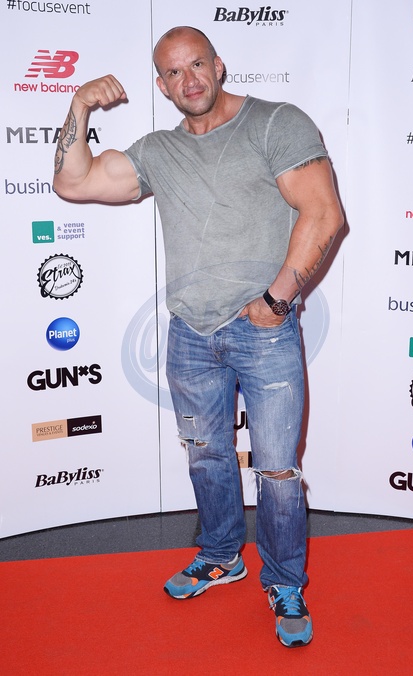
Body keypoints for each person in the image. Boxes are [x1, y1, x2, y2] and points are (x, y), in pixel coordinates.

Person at [53, 25, 343, 648]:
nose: (189, 80)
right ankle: (220, 555)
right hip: (189, 334)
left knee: (276, 471)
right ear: (162, 86)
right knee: (206, 456)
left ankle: (284, 580)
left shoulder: (275, 123)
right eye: (174, 72)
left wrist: (276, 301)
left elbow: (324, 212)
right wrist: (79, 105)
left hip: (264, 333)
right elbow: (74, 182)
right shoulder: (159, 150)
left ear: (219, 64)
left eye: (197, 65)